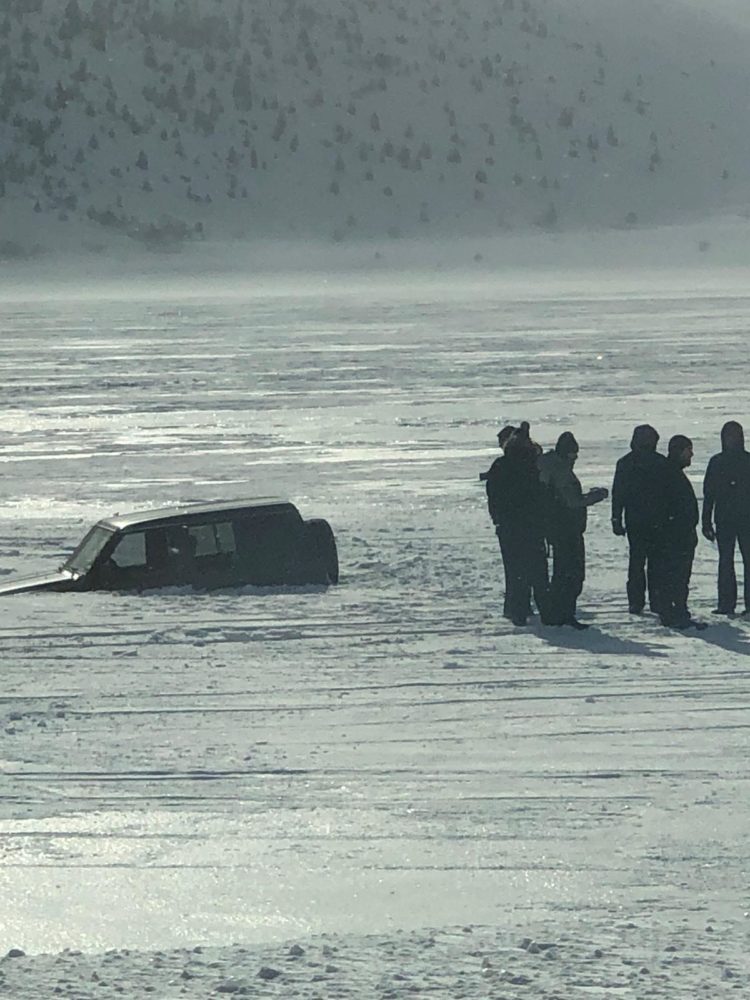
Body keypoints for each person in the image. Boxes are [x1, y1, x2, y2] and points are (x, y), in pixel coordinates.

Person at [538, 432, 608, 629]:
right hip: (566, 529)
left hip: (557, 528)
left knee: (563, 573)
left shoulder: (548, 467)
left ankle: (558, 612)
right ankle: (563, 613)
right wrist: (596, 496)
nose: (575, 458)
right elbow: (573, 502)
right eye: (573, 454)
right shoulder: (561, 472)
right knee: (571, 575)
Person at [485, 422, 549, 626]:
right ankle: (537, 607)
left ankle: (516, 608)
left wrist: (498, 519)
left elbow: (493, 495)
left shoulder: (501, 465)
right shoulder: (534, 465)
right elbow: (542, 493)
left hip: (510, 525)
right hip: (531, 524)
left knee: (514, 569)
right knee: (536, 568)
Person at [611, 424, 669, 615]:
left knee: (642, 563)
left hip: (645, 520)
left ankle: (641, 601)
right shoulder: (657, 463)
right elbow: (618, 493)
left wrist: (617, 518)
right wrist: (616, 518)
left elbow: (618, 493)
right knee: (650, 563)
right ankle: (651, 601)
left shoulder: (629, 463)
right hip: (648, 521)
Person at [702, 420, 750, 617]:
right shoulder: (716, 462)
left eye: (735, 435)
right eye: (728, 436)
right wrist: (706, 521)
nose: (731, 440)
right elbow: (709, 494)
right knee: (725, 562)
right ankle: (726, 604)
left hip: (747, 520)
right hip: (725, 519)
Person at [660, 435, 705, 629]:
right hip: (676, 536)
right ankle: (675, 613)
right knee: (676, 576)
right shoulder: (670, 474)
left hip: (679, 535)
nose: (691, 454)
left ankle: (676, 611)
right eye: (688, 450)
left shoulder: (670, 472)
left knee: (677, 576)